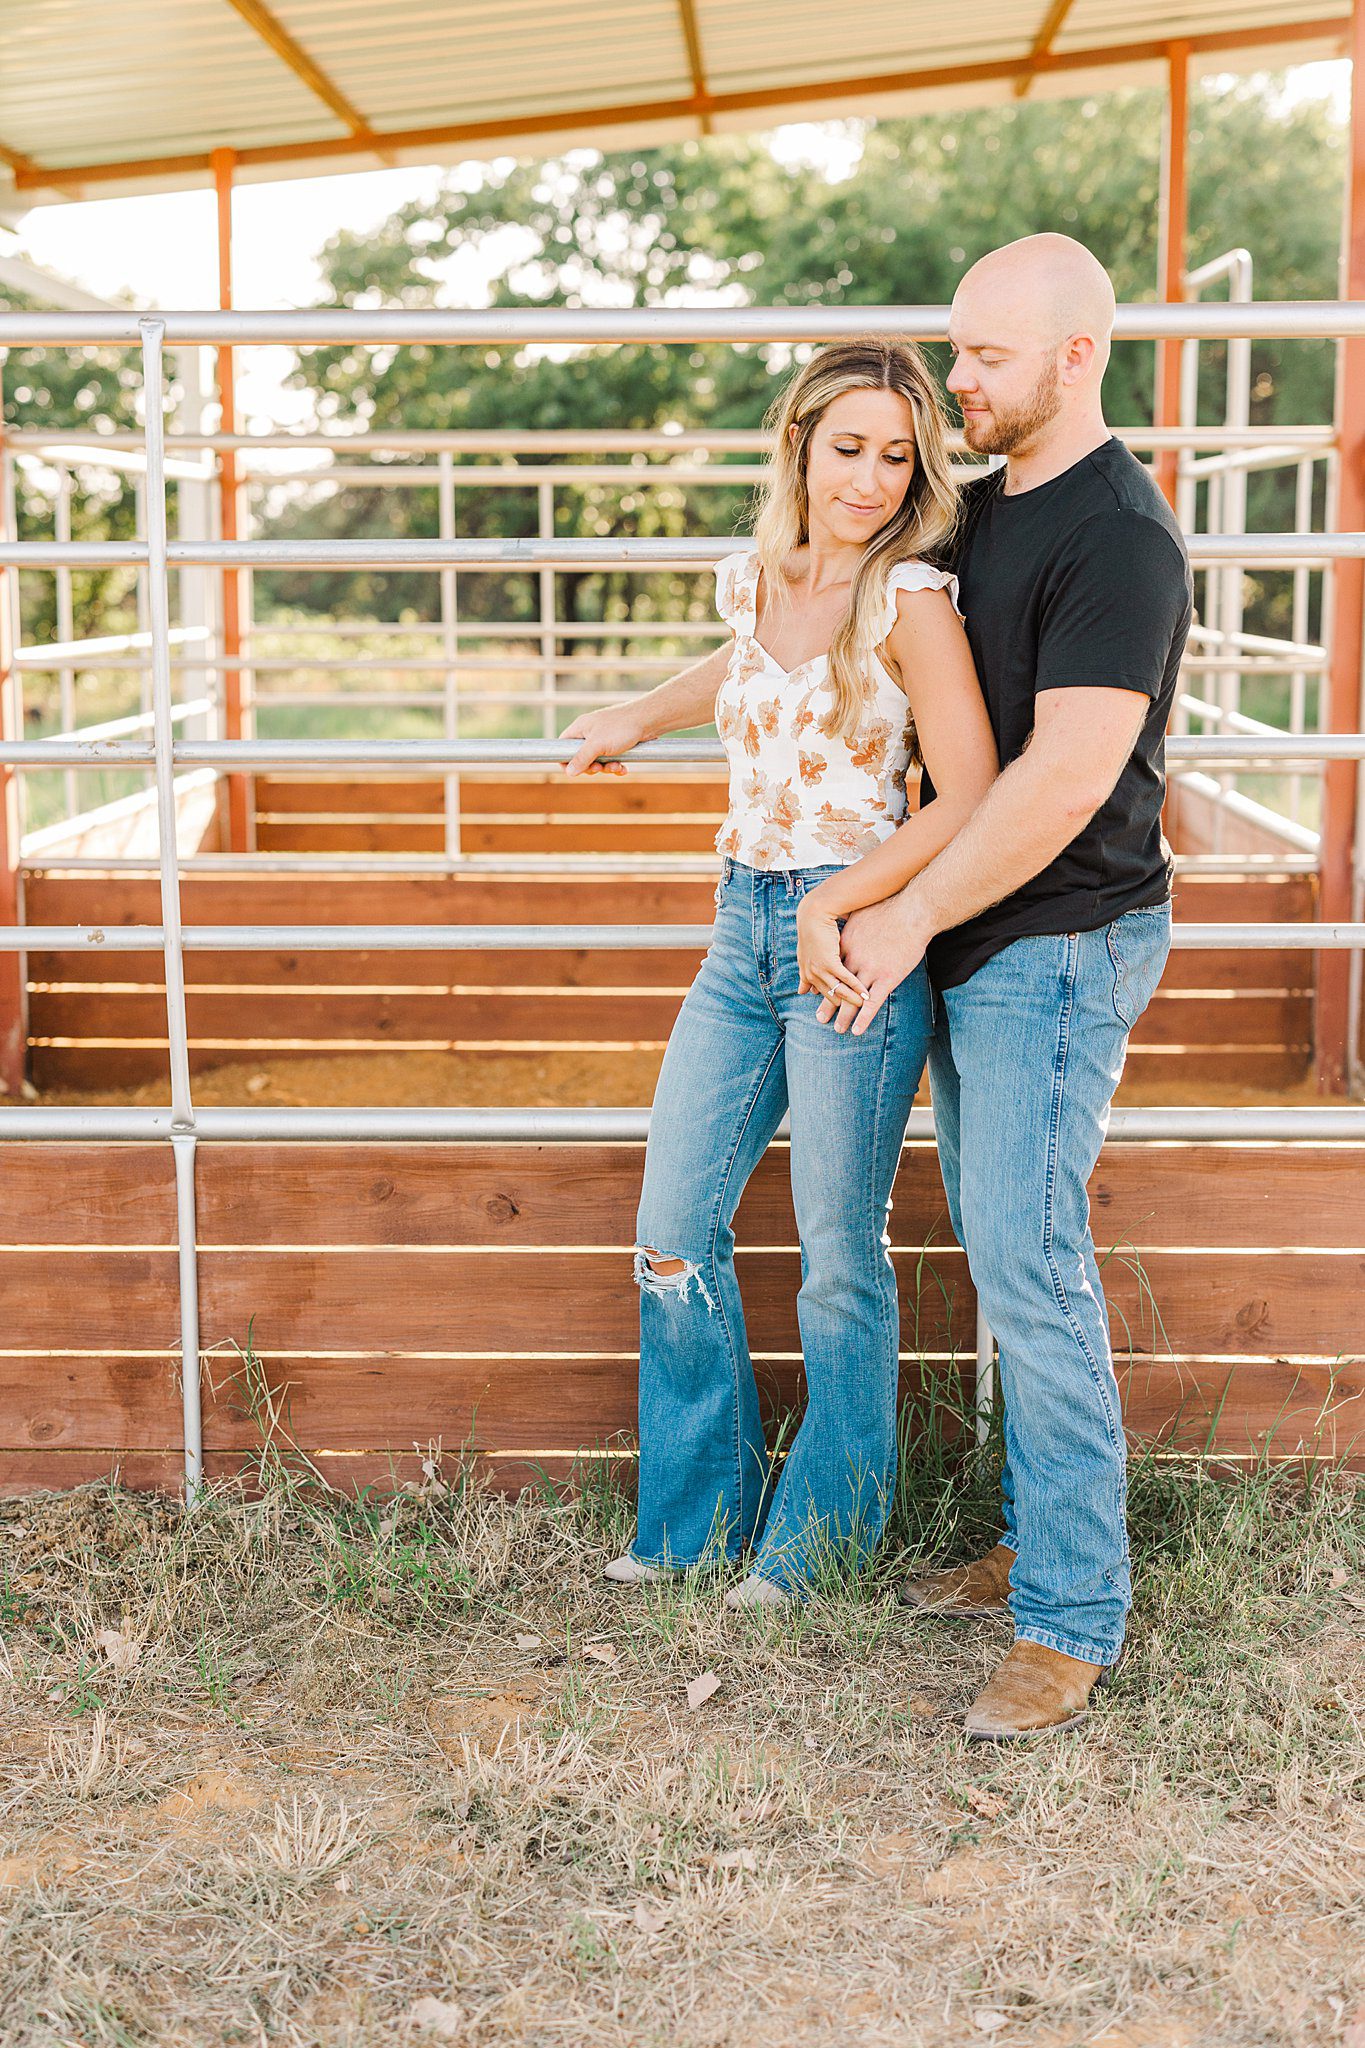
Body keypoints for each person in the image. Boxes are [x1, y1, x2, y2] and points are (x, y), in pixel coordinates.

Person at [812, 236, 1193, 1738]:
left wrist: (901, 920)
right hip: (986, 929)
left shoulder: (1121, 538)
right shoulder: (977, 517)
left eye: (983, 357)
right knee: (1005, 1246)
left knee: (1031, 1264)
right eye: (957, 351)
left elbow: (1059, 783)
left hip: (1059, 934)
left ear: (1075, 356)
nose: (954, 379)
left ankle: (1072, 1619)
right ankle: (1044, 1541)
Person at [559, 336, 997, 1605]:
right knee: (670, 1227)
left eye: (895, 456)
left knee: (837, 1250)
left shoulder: (909, 597)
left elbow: (965, 791)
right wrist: (634, 717)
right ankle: (691, 1526)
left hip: (854, 940)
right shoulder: (752, 578)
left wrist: (849, 903)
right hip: (738, 929)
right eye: (847, 447)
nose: (867, 479)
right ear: (799, 439)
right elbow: (744, 672)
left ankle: (820, 1540)